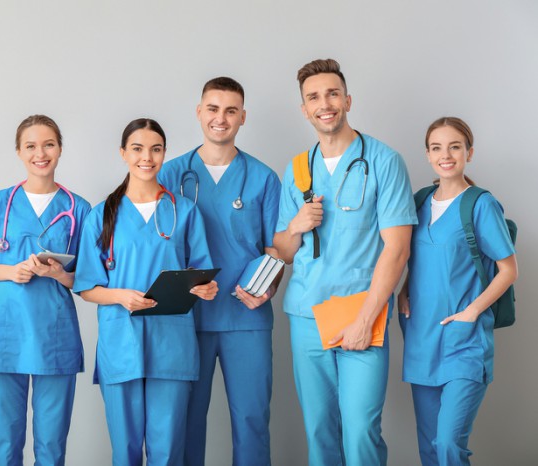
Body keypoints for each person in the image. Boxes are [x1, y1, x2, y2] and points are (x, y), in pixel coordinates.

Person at [273, 58, 417, 465]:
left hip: (361, 311)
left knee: (360, 430)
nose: (325, 103)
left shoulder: (384, 162)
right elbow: (283, 251)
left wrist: (366, 317)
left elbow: (398, 249)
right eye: (314, 97)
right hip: (305, 314)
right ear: (304, 109)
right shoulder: (298, 169)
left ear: (347, 99)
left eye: (333, 93)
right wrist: (297, 226)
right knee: (319, 430)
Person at [73, 118, 218, 466]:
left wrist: (206, 288)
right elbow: (87, 287)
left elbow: (200, 273)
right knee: (124, 451)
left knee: (167, 451)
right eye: (137, 148)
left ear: (164, 154)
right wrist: (122, 296)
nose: (147, 157)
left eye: (156, 149)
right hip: (121, 343)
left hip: (172, 346)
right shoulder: (102, 215)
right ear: (123, 153)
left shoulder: (184, 211)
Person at [159, 76, 282, 466]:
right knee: (185, 421)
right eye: (213, 108)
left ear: (243, 117)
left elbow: (274, 249)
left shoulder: (263, 178)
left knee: (251, 419)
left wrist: (269, 288)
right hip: (186, 319)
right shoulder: (169, 175)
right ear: (199, 113)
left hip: (246, 316)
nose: (221, 118)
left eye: (231, 110)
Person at [0, 114, 91, 465]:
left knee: (52, 449)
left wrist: (58, 274)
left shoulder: (78, 209)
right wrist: (9, 271)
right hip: (5, 336)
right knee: (5, 447)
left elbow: (86, 280)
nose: (41, 153)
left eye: (49, 144)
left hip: (55, 335)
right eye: (31, 146)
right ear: (19, 152)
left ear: (60, 149)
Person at [398, 117, 518, 466]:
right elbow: (414, 259)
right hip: (421, 338)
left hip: (463, 342)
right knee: (429, 448)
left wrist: (471, 313)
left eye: (454, 146)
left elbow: (509, 270)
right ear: (427, 154)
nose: (445, 155)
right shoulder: (419, 201)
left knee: (449, 444)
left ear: (469, 151)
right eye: (437, 148)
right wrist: (404, 290)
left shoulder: (480, 205)